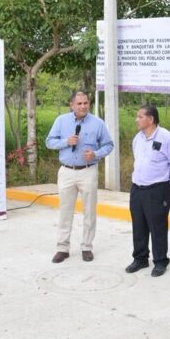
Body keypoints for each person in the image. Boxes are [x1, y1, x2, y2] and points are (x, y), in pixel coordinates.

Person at [45, 91, 114, 263]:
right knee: (65, 211)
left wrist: (96, 154)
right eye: (79, 103)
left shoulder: (97, 123)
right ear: (72, 105)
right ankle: (62, 248)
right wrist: (65, 142)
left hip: (88, 171)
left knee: (89, 211)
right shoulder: (61, 121)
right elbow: (49, 141)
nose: (83, 106)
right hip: (66, 171)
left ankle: (86, 247)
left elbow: (108, 145)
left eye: (86, 103)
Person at [126, 104, 170, 277]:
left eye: (140, 116)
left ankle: (160, 261)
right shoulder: (138, 138)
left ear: (151, 119)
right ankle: (140, 258)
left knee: (157, 226)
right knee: (138, 225)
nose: (137, 119)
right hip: (137, 189)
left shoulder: (166, 137)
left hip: (157, 189)